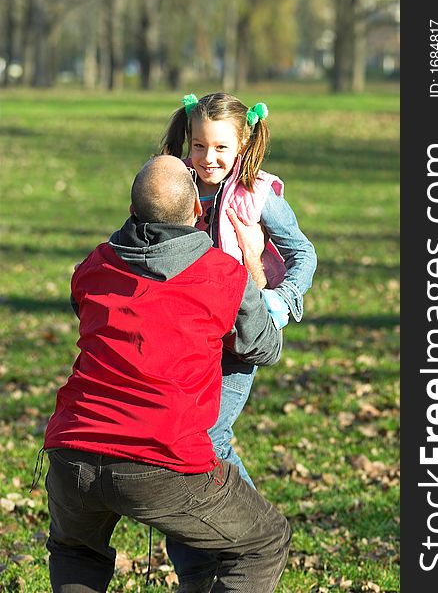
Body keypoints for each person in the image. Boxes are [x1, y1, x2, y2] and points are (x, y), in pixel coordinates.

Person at [42, 155, 291, 593]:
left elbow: (86, 306)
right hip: (160, 459)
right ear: (198, 211)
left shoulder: (95, 266)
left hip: (72, 453)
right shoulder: (222, 273)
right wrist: (253, 263)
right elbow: (264, 346)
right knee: (264, 541)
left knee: (77, 553)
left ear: (132, 209)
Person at [160, 92, 317, 588]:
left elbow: (303, 255)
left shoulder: (258, 195)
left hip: (238, 339)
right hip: (187, 337)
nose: (208, 158)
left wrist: (278, 303)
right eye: (200, 145)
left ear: (244, 143)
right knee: (177, 443)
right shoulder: (175, 185)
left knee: (208, 436)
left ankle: (253, 530)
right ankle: (195, 566)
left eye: (221, 148)